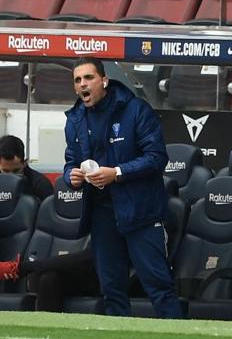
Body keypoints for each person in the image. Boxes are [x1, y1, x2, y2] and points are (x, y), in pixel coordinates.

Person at [63, 57, 182, 318]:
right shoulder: (74, 120)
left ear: (104, 80)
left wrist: (116, 173)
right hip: (102, 215)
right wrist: (70, 176)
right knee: (111, 289)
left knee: (158, 286)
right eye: (77, 80)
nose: (83, 84)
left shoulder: (136, 110)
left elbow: (157, 158)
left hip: (141, 212)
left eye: (89, 78)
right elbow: (71, 161)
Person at [0, 135, 53, 203]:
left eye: (16, 171)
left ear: (24, 163)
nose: (11, 176)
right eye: (6, 171)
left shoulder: (40, 184)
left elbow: (48, 212)